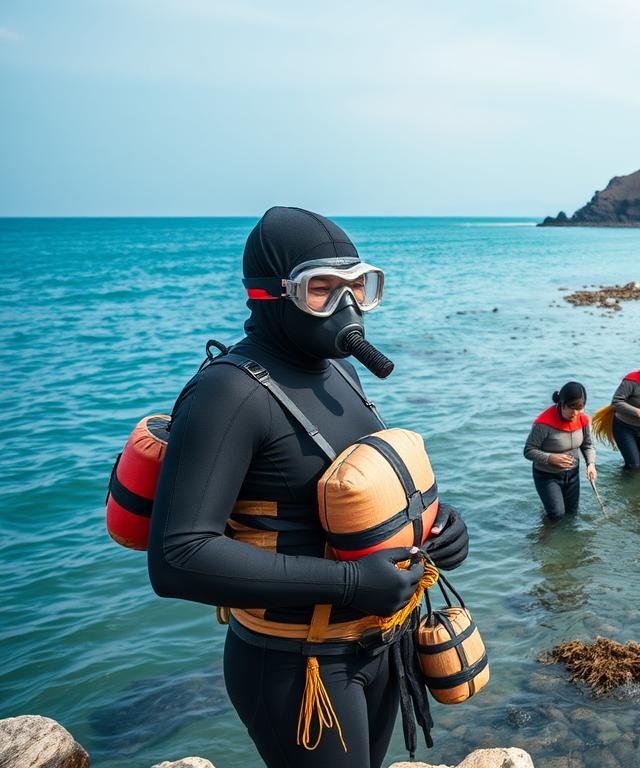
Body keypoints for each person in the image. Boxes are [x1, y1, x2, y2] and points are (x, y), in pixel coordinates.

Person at [147, 207, 468, 768]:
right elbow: (178, 557)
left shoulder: (341, 369)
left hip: (375, 643)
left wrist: (439, 525)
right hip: (299, 664)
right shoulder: (228, 395)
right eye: (321, 289)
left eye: (359, 287)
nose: (346, 306)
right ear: (270, 295)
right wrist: (348, 583)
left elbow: (362, 487)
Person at [524, 382, 596, 520]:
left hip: (572, 475)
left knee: (571, 514)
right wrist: (550, 458)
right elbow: (528, 450)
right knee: (557, 515)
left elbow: (587, 445)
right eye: (571, 408)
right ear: (562, 404)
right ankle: (543, 537)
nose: (575, 413)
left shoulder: (583, 420)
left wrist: (590, 464)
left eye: (580, 408)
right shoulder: (543, 424)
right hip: (547, 476)